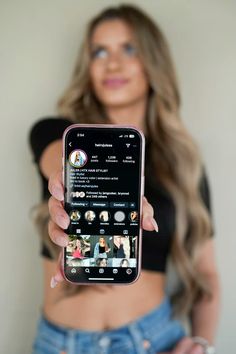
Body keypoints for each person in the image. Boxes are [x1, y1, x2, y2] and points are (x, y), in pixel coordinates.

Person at [29, 4, 220, 354]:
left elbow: (206, 274)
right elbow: (57, 157)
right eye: (99, 51)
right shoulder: (60, 135)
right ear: (88, 67)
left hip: (153, 340)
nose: (112, 64)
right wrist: (69, 175)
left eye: (128, 49)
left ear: (153, 61)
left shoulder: (184, 164)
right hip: (60, 345)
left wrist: (202, 345)